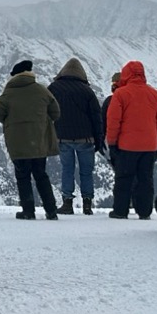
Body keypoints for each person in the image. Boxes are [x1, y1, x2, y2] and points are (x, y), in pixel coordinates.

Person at [0, 59, 61, 220]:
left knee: (23, 176)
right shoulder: (42, 91)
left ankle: (28, 211)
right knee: (41, 175)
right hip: (39, 141)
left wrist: (13, 122)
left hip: (18, 142)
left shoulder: (8, 93)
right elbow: (56, 113)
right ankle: (51, 210)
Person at [106, 59, 157, 219]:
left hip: (126, 146)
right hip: (149, 146)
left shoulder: (120, 94)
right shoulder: (155, 94)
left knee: (123, 179)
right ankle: (144, 211)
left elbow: (113, 121)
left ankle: (120, 211)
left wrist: (112, 143)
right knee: (145, 179)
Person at [47, 58, 105, 214]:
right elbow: (96, 118)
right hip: (85, 139)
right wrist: (99, 140)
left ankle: (67, 203)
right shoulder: (87, 91)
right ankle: (87, 204)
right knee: (86, 171)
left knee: (67, 169)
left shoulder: (53, 88)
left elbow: (46, 112)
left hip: (62, 137)